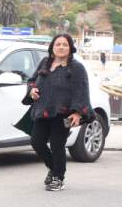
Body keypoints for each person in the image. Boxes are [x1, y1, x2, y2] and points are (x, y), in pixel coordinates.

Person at [23, 34, 94, 191]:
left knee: (57, 145)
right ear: (52, 47)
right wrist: (31, 91)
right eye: (58, 44)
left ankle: (58, 178)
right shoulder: (44, 63)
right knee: (37, 142)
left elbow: (81, 90)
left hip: (65, 114)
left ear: (70, 48)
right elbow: (32, 81)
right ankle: (54, 169)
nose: (61, 47)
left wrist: (77, 113)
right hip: (43, 111)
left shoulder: (76, 67)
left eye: (65, 45)